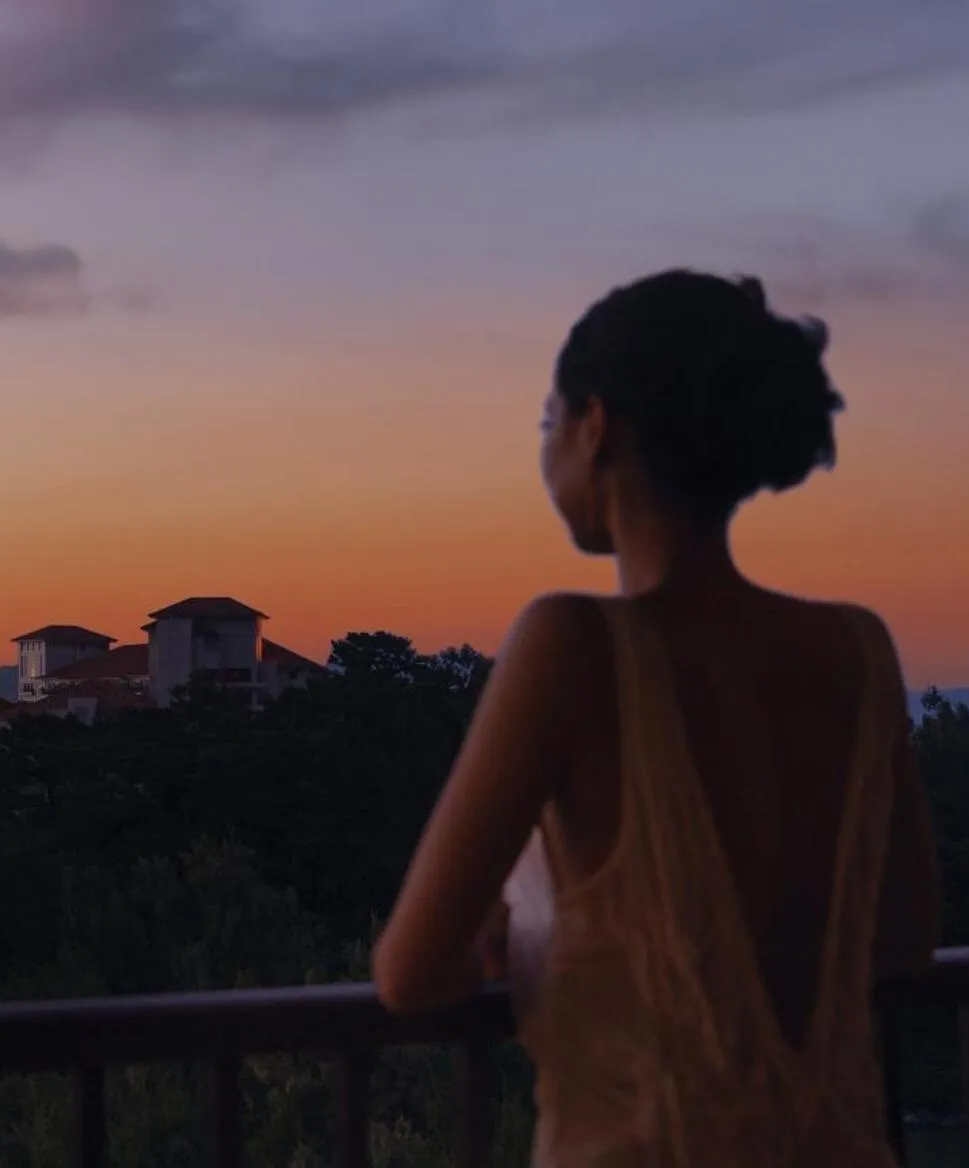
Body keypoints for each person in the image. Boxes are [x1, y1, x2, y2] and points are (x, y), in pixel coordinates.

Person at [372, 270, 940, 1165]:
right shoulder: (858, 652)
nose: (545, 445)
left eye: (546, 421)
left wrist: (527, 937)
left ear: (596, 426)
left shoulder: (575, 645)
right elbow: (906, 940)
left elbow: (410, 976)